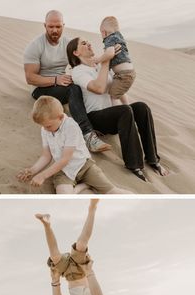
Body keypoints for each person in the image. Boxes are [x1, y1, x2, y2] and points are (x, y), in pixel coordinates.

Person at [67, 37, 168, 182]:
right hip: (96, 118)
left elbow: (117, 89)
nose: (89, 43)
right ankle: (134, 165)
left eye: (88, 41)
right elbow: (99, 88)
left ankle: (153, 159)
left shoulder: (99, 66)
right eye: (83, 43)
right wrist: (106, 60)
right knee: (124, 111)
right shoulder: (78, 71)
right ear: (76, 53)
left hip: (114, 115)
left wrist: (130, 109)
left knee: (141, 107)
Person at [23, 10, 110, 153]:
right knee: (73, 89)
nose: (54, 30)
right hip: (41, 88)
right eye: (51, 27)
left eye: (58, 27)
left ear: (63, 26)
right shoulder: (36, 46)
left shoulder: (68, 44)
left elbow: (81, 62)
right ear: (45, 25)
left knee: (82, 86)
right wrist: (55, 79)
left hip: (63, 83)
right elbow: (30, 78)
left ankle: (100, 122)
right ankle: (88, 135)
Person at [17, 97, 126, 193]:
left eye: (48, 126)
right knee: (64, 197)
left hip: (84, 166)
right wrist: (32, 170)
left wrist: (42, 175)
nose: (45, 129)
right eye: (43, 126)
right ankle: (83, 186)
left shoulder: (71, 127)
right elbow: (46, 156)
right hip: (62, 171)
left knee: (114, 192)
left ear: (60, 117)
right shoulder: (45, 129)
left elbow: (65, 159)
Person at [99, 16, 136, 105]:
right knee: (120, 92)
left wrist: (98, 59)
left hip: (123, 74)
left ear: (104, 32)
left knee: (113, 96)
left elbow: (109, 54)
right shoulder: (119, 37)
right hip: (129, 73)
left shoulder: (109, 39)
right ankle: (127, 107)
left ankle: (119, 112)